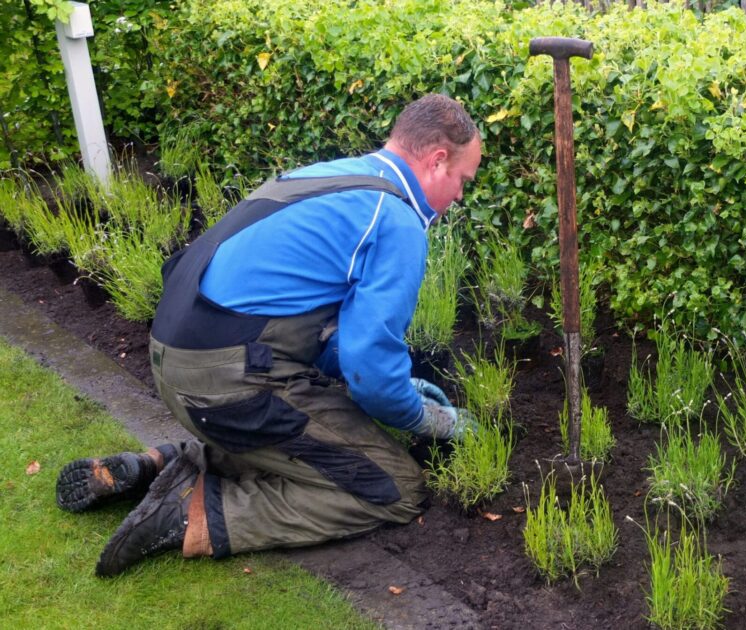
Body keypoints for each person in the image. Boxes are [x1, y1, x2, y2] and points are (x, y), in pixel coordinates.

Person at [54, 93, 483, 577]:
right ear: (437, 160)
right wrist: (429, 419)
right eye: (463, 181)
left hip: (177, 358)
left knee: (319, 444)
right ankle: (187, 516)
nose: (460, 197)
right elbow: (369, 371)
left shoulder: (335, 176)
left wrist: (398, 382)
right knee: (393, 486)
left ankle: (161, 463)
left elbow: (307, 320)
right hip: (222, 382)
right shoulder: (397, 220)